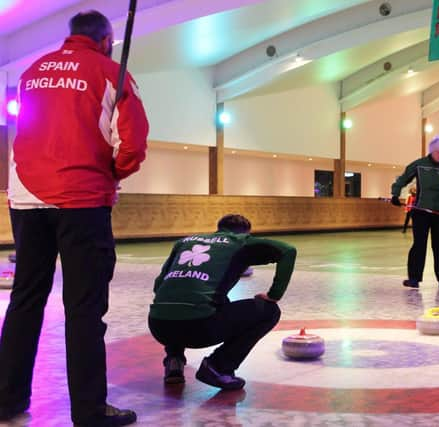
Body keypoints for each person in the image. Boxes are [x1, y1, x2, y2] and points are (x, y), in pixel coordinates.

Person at [0, 11, 148, 426]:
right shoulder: (110, 73)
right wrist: (111, 173)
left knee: (25, 301)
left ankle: (7, 399)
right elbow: (132, 144)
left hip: (27, 199)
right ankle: (89, 410)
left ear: (71, 37)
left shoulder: (32, 72)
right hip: (81, 202)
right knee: (84, 308)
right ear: (106, 39)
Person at [148, 214, 296, 389]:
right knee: (269, 311)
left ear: (218, 228)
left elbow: (159, 285)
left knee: (180, 300)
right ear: (247, 232)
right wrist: (274, 294)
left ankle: (174, 361)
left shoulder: (184, 242)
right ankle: (218, 367)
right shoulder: (242, 242)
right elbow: (288, 250)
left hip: (159, 326)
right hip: (199, 329)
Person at [390, 135, 439, 289]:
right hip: (421, 210)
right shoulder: (419, 165)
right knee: (419, 244)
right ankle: (414, 278)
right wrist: (395, 193)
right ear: (432, 151)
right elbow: (403, 178)